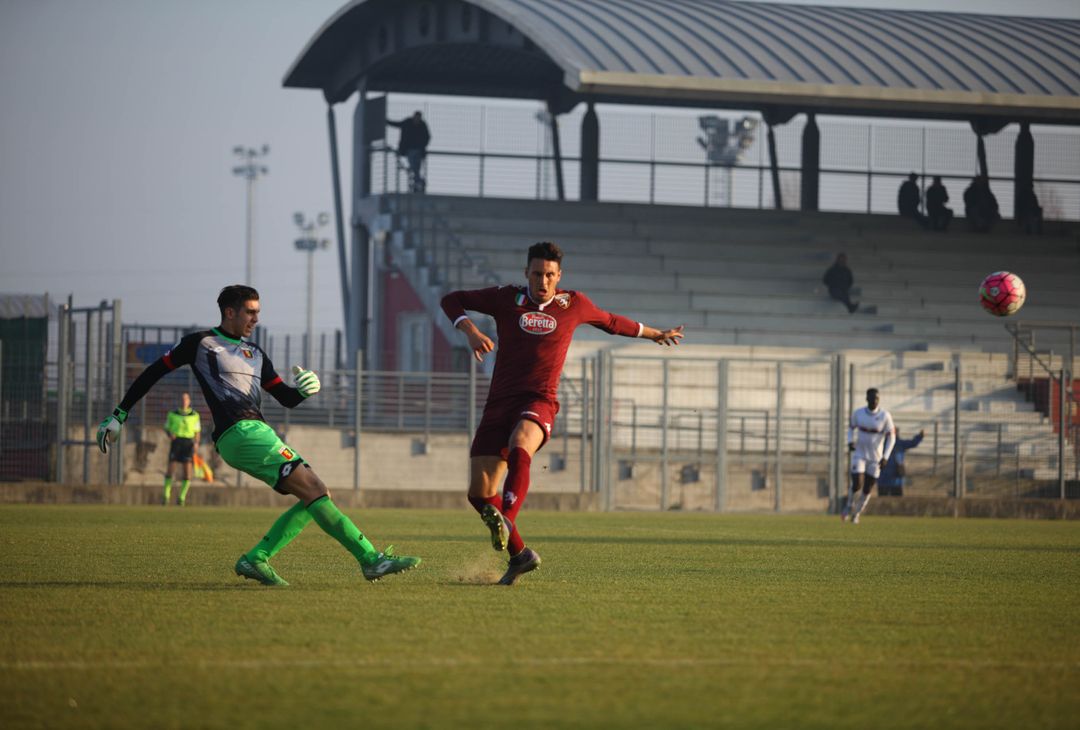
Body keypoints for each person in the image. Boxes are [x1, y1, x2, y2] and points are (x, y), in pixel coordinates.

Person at [97, 285, 420, 586]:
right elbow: (153, 373)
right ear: (229, 312)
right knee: (315, 489)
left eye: (257, 312)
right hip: (238, 432)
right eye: (250, 311)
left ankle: (257, 558)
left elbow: (286, 398)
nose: (256, 318)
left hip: (257, 431)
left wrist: (306, 390)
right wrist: (119, 414)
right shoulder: (200, 343)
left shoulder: (256, 354)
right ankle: (370, 559)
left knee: (317, 495)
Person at [440, 242, 684, 585]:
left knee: (522, 442)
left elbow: (612, 322)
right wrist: (471, 331)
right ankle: (521, 555)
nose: (544, 281)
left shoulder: (574, 304)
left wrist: (655, 333)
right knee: (479, 494)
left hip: (539, 400)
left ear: (559, 276)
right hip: (499, 403)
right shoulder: (504, 298)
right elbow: (451, 300)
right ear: (526, 273)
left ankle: (507, 519)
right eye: (537, 274)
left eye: (550, 275)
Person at [843, 388, 896, 524]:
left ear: (879, 400)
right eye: (872, 398)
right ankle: (849, 506)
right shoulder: (859, 414)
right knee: (857, 484)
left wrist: (885, 457)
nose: (874, 401)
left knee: (867, 488)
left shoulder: (885, 416)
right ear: (867, 399)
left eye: (876, 398)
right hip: (859, 454)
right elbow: (850, 428)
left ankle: (857, 513)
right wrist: (850, 442)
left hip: (875, 459)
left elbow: (892, 437)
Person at [162, 392, 201, 506]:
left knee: (187, 473)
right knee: (171, 469)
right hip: (176, 442)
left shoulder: (194, 415)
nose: (184, 401)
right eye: (182, 399)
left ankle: (181, 498)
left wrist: (196, 443)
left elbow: (197, 431)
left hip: (188, 443)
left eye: (186, 399)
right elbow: (166, 427)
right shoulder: (172, 414)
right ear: (180, 401)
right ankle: (166, 496)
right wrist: (170, 434)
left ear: (189, 401)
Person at [387, 110, 431, 192]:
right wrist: (387, 122)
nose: (417, 120)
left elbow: (427, 137)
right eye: (416, 118)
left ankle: (416, 183)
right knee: (415, 168)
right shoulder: (407, 122)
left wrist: (422, 145)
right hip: (409, 150)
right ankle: (418, 183)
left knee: (415, 168)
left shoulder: (422, 125)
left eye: (418, 118)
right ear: (414, 117)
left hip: (418, 150)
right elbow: (398, 124)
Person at [878, 427, 924, 497]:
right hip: (890, 479)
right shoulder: (884, 444)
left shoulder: (884, 444)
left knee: (885, 499)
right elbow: (913, 443)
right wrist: (920, 436)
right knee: (894, 500)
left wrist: (920, 436)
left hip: (890, 479)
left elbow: (913, 443)